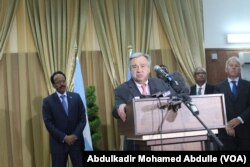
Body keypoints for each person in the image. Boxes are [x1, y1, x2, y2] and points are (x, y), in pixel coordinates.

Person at [112, 52, 177, 150]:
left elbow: (175, 97)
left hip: (163, 138)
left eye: (142, 66)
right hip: (135, 142)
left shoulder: (160, 84)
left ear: (148, 69)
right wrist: (120, 107)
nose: (139, 70)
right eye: (134, 67)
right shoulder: (122, 89)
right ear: (130, 70)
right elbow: (115, 111)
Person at [42, 71, 86, 167]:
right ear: (53, 85)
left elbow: (82, 119)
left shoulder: (76, 97)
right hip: (58, 145)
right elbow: (48, 124)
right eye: (58, 82)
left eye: (63, 81)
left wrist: (74, 136)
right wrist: (64, 137)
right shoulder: (48, 101)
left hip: (76, 143)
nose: (62, 84)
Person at [214, 56, 250, 150]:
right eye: (231, 65)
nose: (234, 67)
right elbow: (217, 109)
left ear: (240, 69)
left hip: (245, 131)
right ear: (226, 69)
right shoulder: (218, 87)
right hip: (226, 132)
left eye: (236, 66)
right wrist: (226, 124)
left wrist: (239, 119)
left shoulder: (248, 85)